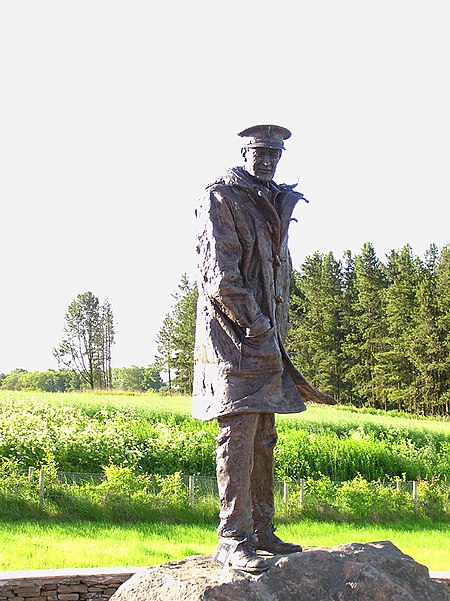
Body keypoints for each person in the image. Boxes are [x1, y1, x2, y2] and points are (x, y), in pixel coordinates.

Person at [193, 125, 334, 572]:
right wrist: (255, 324)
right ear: (244, 151)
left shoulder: (274, 199)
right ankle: (233, 537)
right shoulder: (222, 197)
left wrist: (275, 331)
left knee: (265, 437)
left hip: (268, 339)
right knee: (237, 435)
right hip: (236, 341)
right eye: (259, 152)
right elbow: (220, 274)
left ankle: (261, 529)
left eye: (275, 154)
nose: (267, 161)